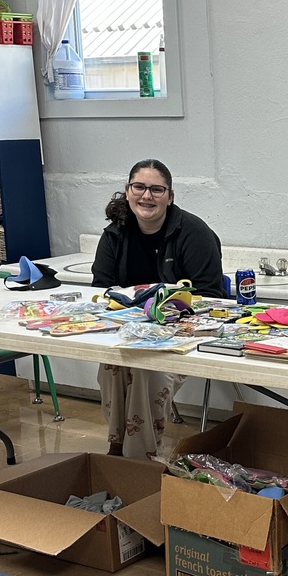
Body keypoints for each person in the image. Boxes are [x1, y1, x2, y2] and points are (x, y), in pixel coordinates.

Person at [92, 159, 224, 459]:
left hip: (179, 334)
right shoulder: (115, 234)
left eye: (156, 189)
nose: (146, 196)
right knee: (112, 365)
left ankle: (140, 458)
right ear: (127, 191)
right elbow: (100, 291)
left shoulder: (193, 233)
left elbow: (212, 298)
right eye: (139, 187)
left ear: (170, 196)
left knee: (146, 371)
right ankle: (116, 447)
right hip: (125, 332)